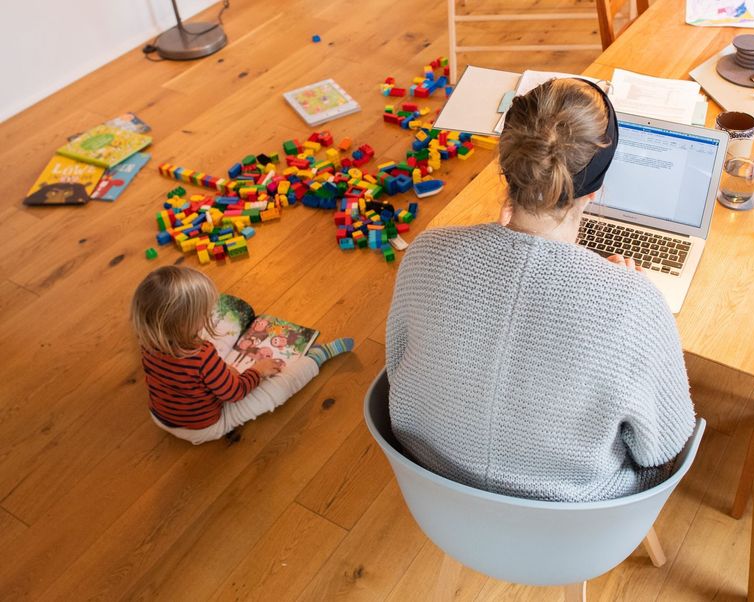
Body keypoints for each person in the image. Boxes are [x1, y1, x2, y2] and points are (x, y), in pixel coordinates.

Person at [386, 78, 696, 502]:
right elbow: (662, 447)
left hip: (434, 491)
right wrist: (629, 300)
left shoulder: (425, 254)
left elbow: (399, 364)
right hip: (574, 524)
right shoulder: (633, 306)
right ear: (597, 189)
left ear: (506, 166)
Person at [131, 266, 354, 444]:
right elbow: (235, 393)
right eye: (203, 314)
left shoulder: (147, 342)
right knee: (277, 391)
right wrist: (257, 371)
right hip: (204, 428)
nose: (208, 315)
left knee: (219, 360)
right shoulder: (201, 356)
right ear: (183, 324)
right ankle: (316, 357)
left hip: (160, 417)